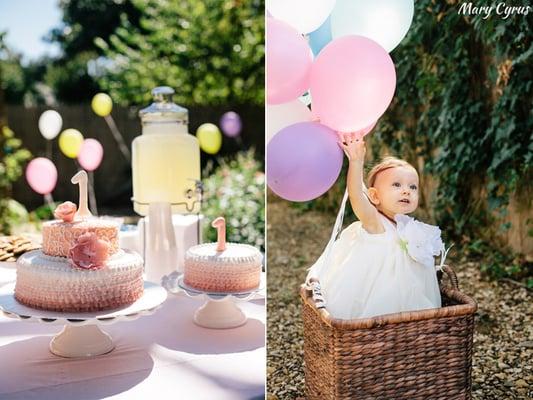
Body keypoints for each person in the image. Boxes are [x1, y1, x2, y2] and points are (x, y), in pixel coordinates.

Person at [306, 133, 446, 319]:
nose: (406, 190)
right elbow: (356, 194)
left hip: (409, 296)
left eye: (413, 187)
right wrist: (356, 161)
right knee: (380, 320)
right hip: (379, 298)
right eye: (396, 185)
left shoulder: (410, 227)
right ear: (374, 196)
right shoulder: (374, 221)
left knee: (415, 320)